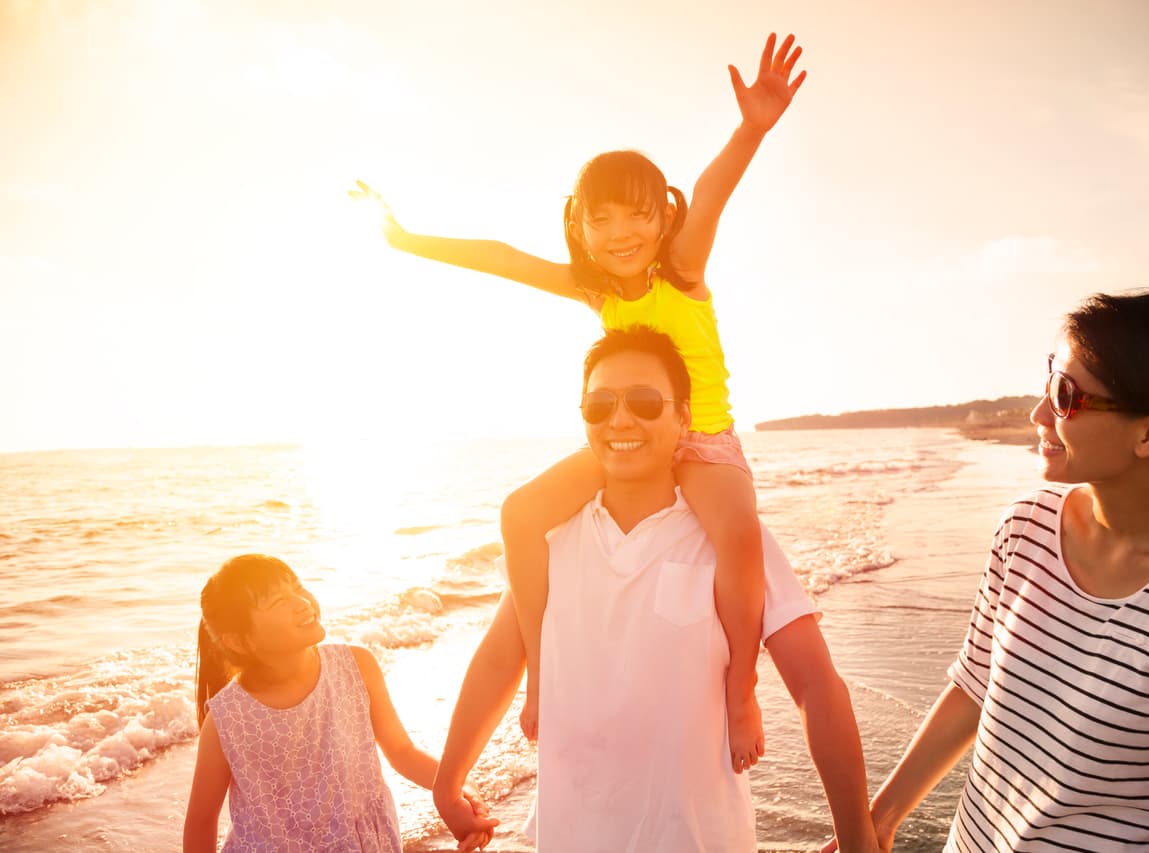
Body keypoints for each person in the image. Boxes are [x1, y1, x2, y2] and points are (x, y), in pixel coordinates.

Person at [350, 32, 807, 773]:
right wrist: (406, 239)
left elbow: (714, 191)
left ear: (662, 218)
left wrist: (752, 127)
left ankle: (740, 690)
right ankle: (540, 665)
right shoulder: (594, 287)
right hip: (625, 439)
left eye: (635, 216)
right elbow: (502, 256)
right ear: (581, 227)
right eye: (601, 220)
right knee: (521, 513)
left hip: (705, 440)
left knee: (741, 537)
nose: (619, 234)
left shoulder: (681, 270)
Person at [430, 325, 881, 852]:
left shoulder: (732, 539)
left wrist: (857, 837)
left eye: (645, 401)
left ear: (683, 417)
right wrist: (448, 783)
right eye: (600, 405)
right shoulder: (554, 539)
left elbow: (816, 684)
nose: (620, 419)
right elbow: (497, 661)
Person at [869, 292, 1149, 852]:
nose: (1039, 414)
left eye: (1066, 396)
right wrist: (879, 819)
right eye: (1049, 382)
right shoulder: (1026, 526)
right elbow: (974, 686)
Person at [182, 554, 496, 853]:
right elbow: (201, 820)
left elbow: (403, 752)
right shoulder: (228, 719)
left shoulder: (356, 666)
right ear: (240, 641)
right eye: (279, 602)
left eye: (297, 587)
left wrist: (461, 789)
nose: (302, 602)